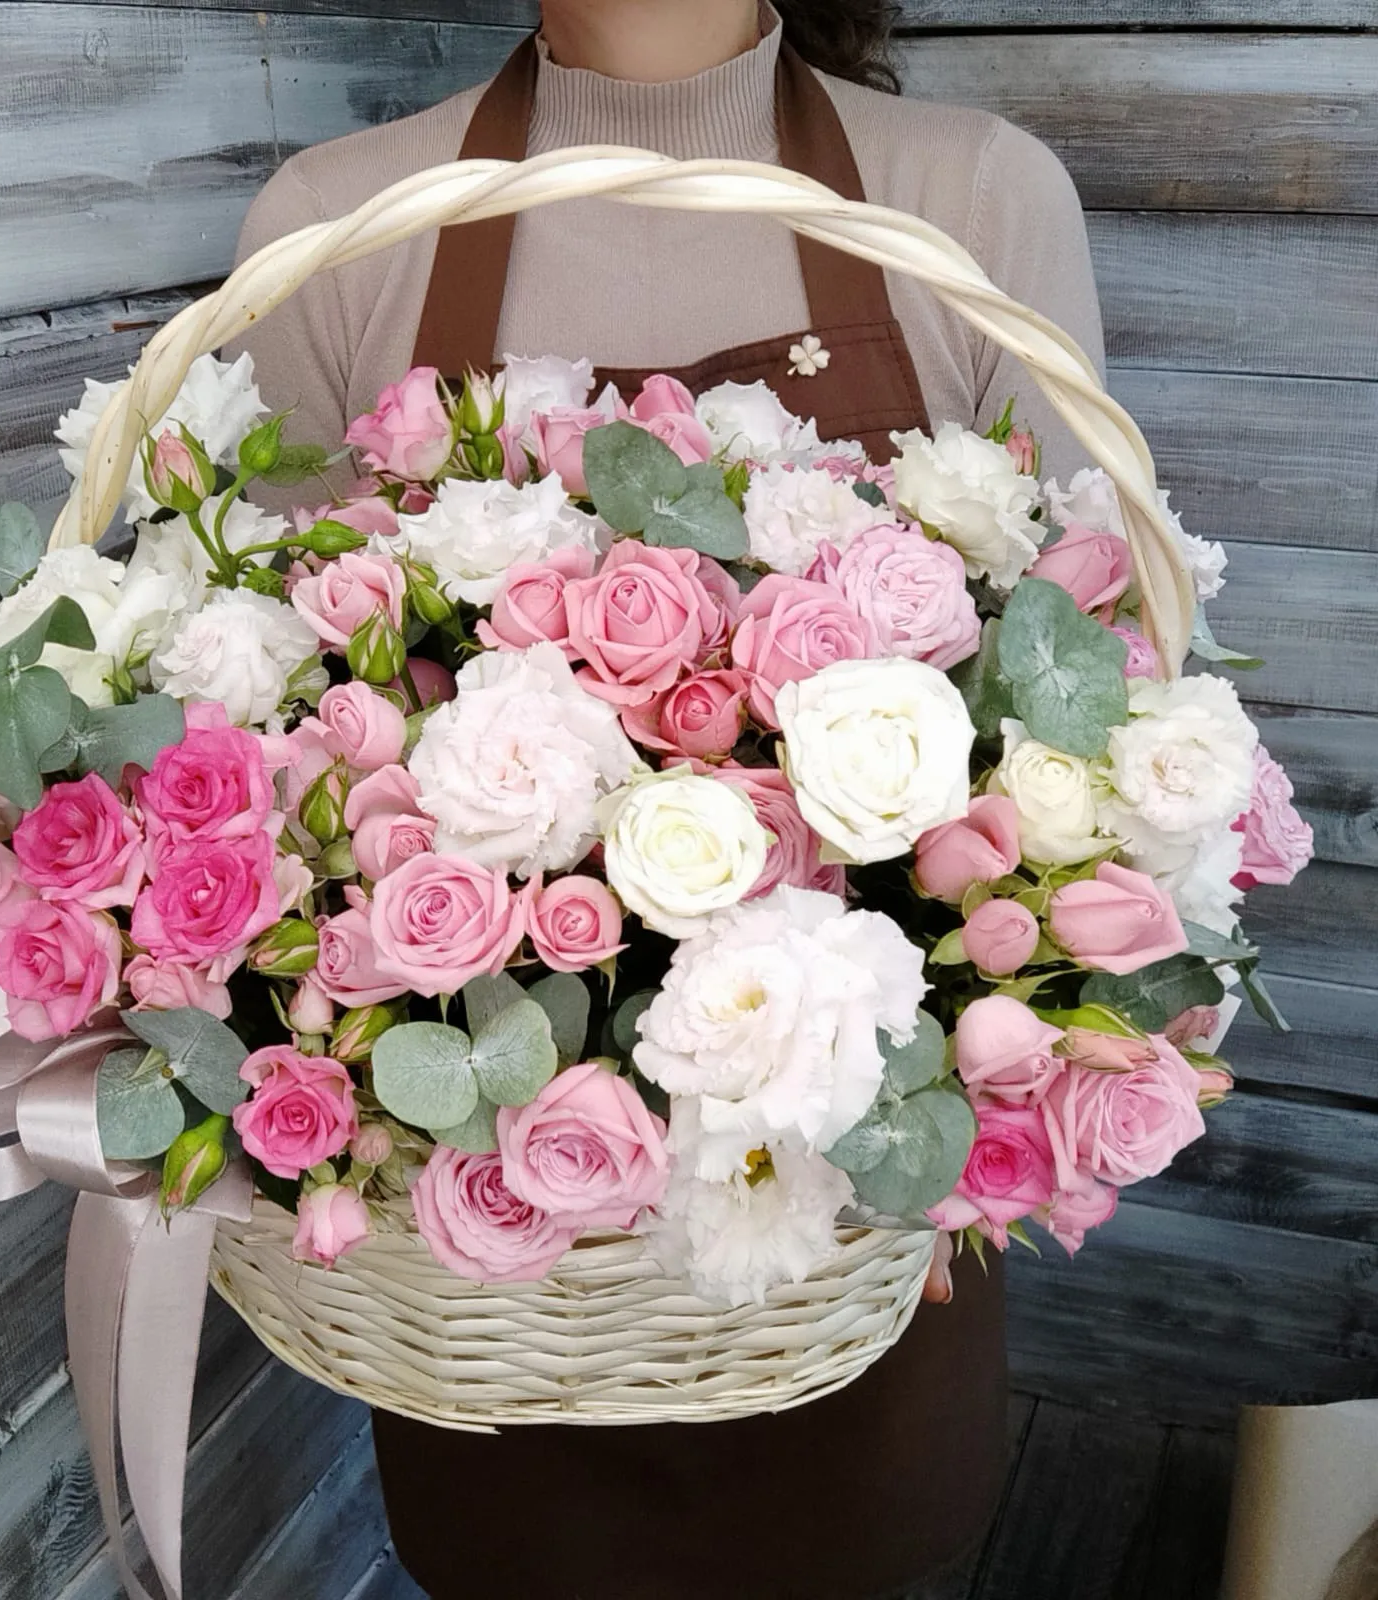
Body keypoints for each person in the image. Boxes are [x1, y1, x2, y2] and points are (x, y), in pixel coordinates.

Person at [228, 3, 1104, 1595]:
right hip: (490, 1298)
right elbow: (271, 749)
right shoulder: (337, 228)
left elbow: (1090, 713)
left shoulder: (972, 199)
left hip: (852, 1280)